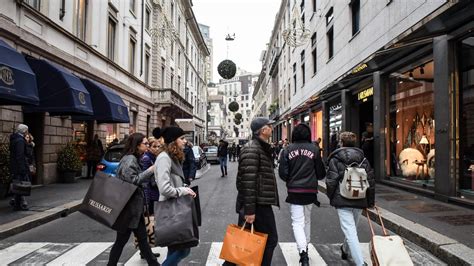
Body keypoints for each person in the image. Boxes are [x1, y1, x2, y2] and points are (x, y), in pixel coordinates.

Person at [229, 117, 279, 266]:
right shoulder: (252, 148)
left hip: (257, 202)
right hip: (257, 204)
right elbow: (247, 183)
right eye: (270, 126)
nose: (272, 128)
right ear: (263, 130)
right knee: (270, 240)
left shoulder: (260, 147)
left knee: (243, 241)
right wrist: (250, 211)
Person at [108, 133, 159, 266]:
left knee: (142, 239)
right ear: (137, 145)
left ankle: (153, 263)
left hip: (134, 208)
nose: (147, 146)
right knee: (121, 241)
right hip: (128, 209)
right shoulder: (130, 159)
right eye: (145, 144)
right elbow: (132, 180)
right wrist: (150, 170)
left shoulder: (134, 158)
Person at [278, 124, 326, 266]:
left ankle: (303, 253)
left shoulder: (287, 150)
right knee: (306, 220)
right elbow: (321, 172)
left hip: (294, 190)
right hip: (310, 190)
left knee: (297, 222)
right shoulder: (314, 149)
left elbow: (283, 173)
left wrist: (291, 179)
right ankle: (306, 248)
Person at [325, 132, 375, 266]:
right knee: (352, 229)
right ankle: (345, 249)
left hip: (342, 199)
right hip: (359, 198)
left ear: (341, 143)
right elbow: (370, 180)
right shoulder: (363, 159)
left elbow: (331, 181)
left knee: (351, 231)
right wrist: (370, 201)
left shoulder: (335, 159)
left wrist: (331, 197)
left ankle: (360, 263)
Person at [155, 126, 197, 266]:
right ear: (173, 141)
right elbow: (164, 188)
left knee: (175, 249)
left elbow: (175, 182)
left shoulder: (172, 157)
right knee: (183, 250)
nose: (185, 141)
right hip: (170, 209)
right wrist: (183, 191)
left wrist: (185, 188)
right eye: (182, 138)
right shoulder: (164, 158)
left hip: (175, 208)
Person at [9, 124, 30, 211]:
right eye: (26, 130)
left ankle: (17, 202)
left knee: (17, 184)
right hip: (19, 167)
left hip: (14, 166)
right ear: (24, 131)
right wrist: (22, 169)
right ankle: (17, 206)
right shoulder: (20, 141)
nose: (27, 132)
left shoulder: (14, 139)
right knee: (19, 186)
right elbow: (20, 156)